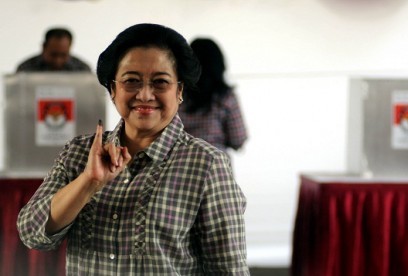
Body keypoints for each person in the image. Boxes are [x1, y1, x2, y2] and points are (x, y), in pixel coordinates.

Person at [17, 23, 249, 275]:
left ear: (179, 90)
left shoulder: (206, 165)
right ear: (113, 90)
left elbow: (229, 270)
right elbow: (32, 234)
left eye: (160, 82)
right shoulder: (79, 153)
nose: (145, 95)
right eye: (131, 81)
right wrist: (88, 182)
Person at [178, 38, 247, 153]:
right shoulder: (225, 97)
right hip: (217, 165)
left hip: (180, 164)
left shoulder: (176, 94)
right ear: (219, 64)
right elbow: (238, 139)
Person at [16, 27, 91, 72]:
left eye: (63, 55)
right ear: (44, 47)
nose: (58, 60)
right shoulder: (26, 69)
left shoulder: (82, 69)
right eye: (53, 55)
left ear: (70, 47)